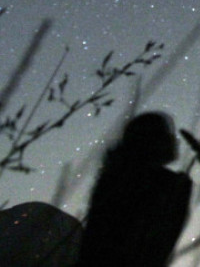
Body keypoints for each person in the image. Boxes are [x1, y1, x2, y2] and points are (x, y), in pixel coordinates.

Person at [77, 111, 192, 267]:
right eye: (168, 135)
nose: (175, 141)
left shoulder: (114, 176)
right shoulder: (164, 183)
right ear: (154, 140)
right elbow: (156, 246)